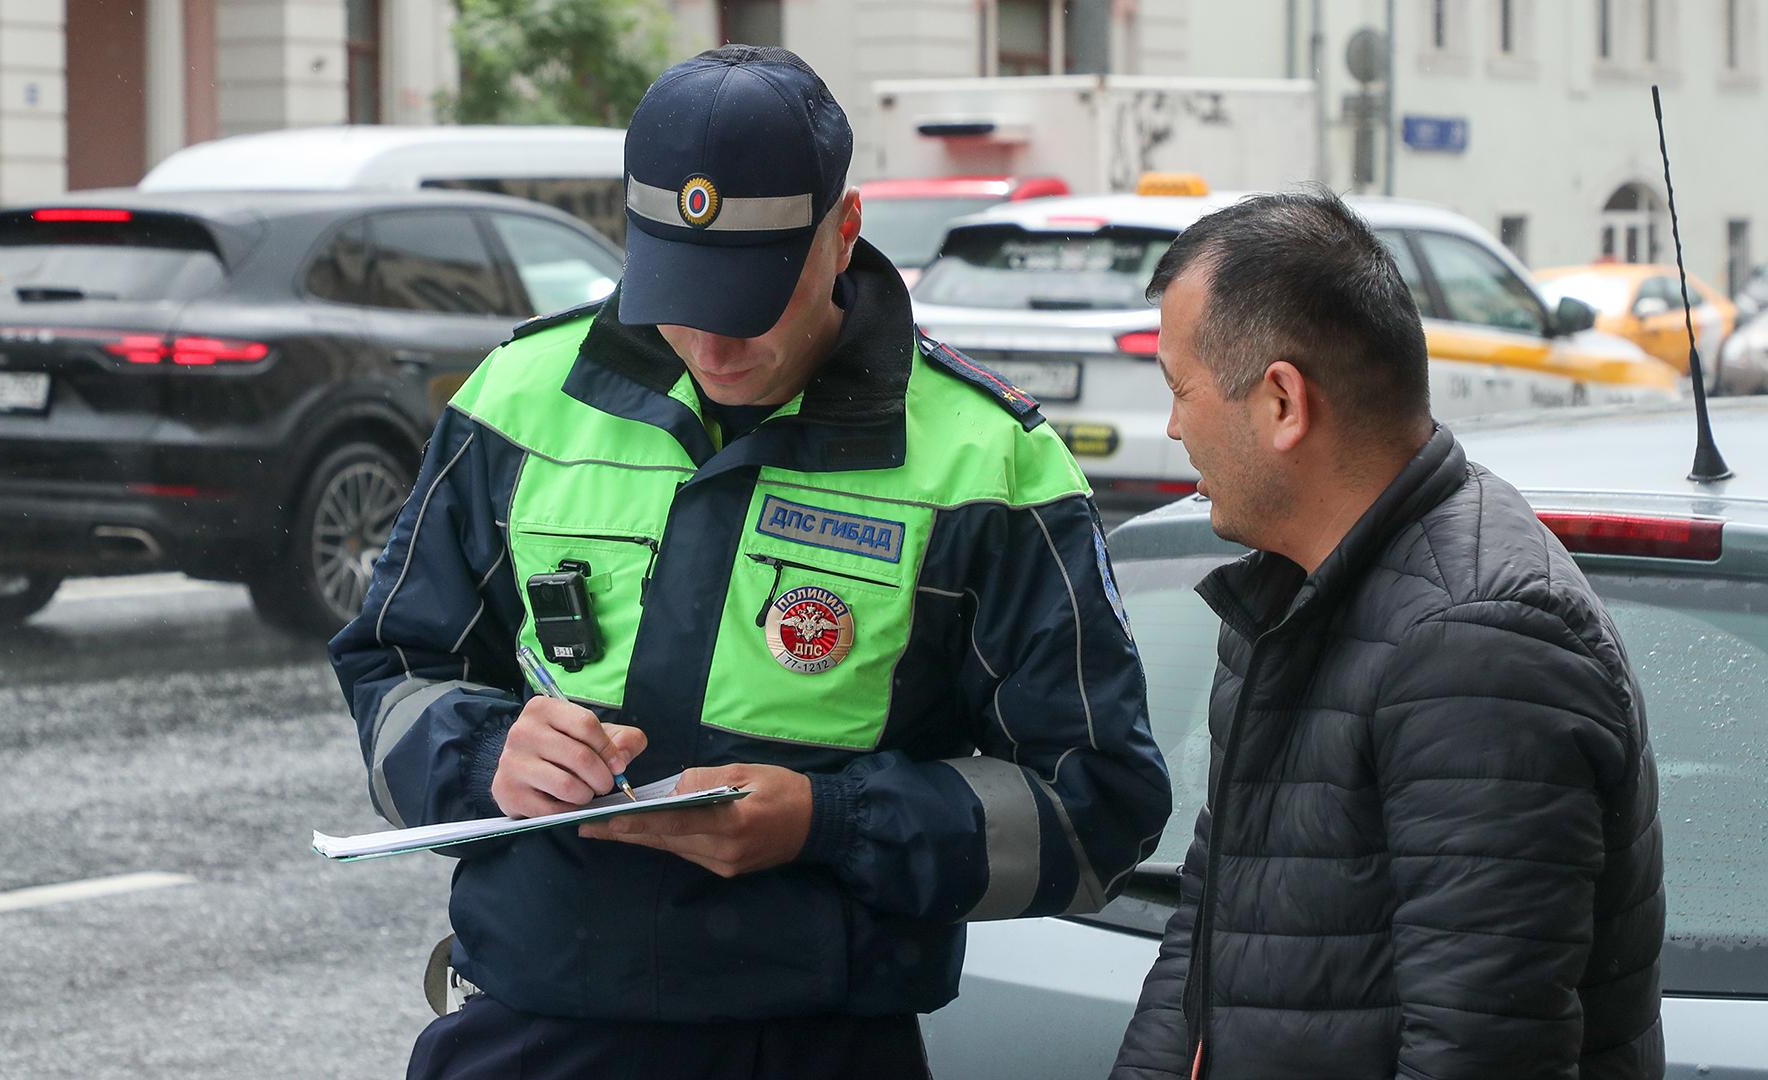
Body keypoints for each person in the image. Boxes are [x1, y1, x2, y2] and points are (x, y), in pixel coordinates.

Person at [327, 46, 1172, 1080]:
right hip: (530, 1029)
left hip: (815, 1048)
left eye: (752, 297)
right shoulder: (519, 400)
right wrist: (486, 755)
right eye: (680, 291)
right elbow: (390, 668)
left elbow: (1101, 808)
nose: (715, 344)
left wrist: (830, 823)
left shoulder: (988, 462)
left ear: (843, 231)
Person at [1110, 190, 1664, 1080]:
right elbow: (1205, 947)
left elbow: (1481, 1054)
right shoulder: (1287, 593)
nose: (1174, 427)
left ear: (1283, 401)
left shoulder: (1480, 641)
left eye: (1181, 390)